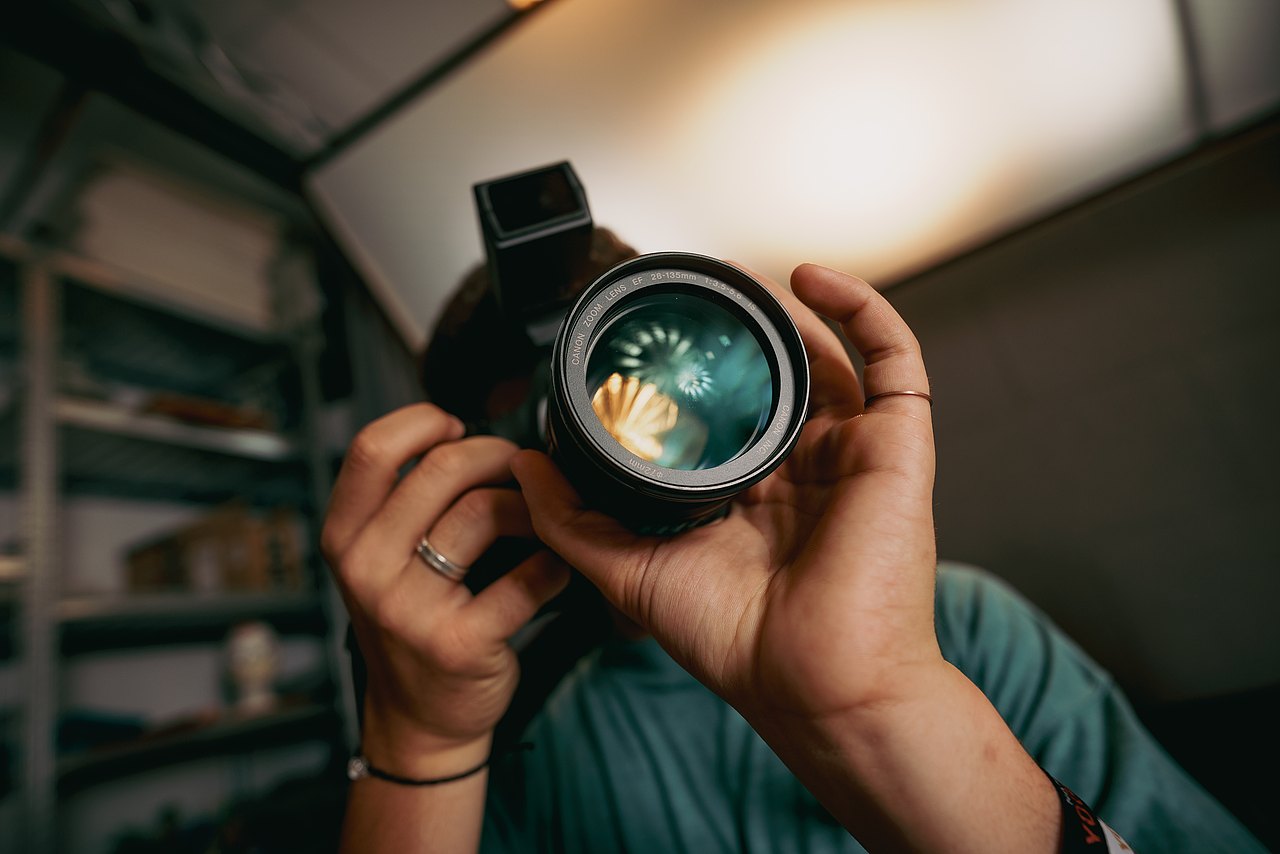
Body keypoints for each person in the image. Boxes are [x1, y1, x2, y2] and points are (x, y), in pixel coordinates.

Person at [321, 253, 1265, 853]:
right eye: (576, 414)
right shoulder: (534, 747)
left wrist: (883, 707)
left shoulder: (958, 631)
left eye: (641, 375)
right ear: (491, 469)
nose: (637, 432)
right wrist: (418, 735)